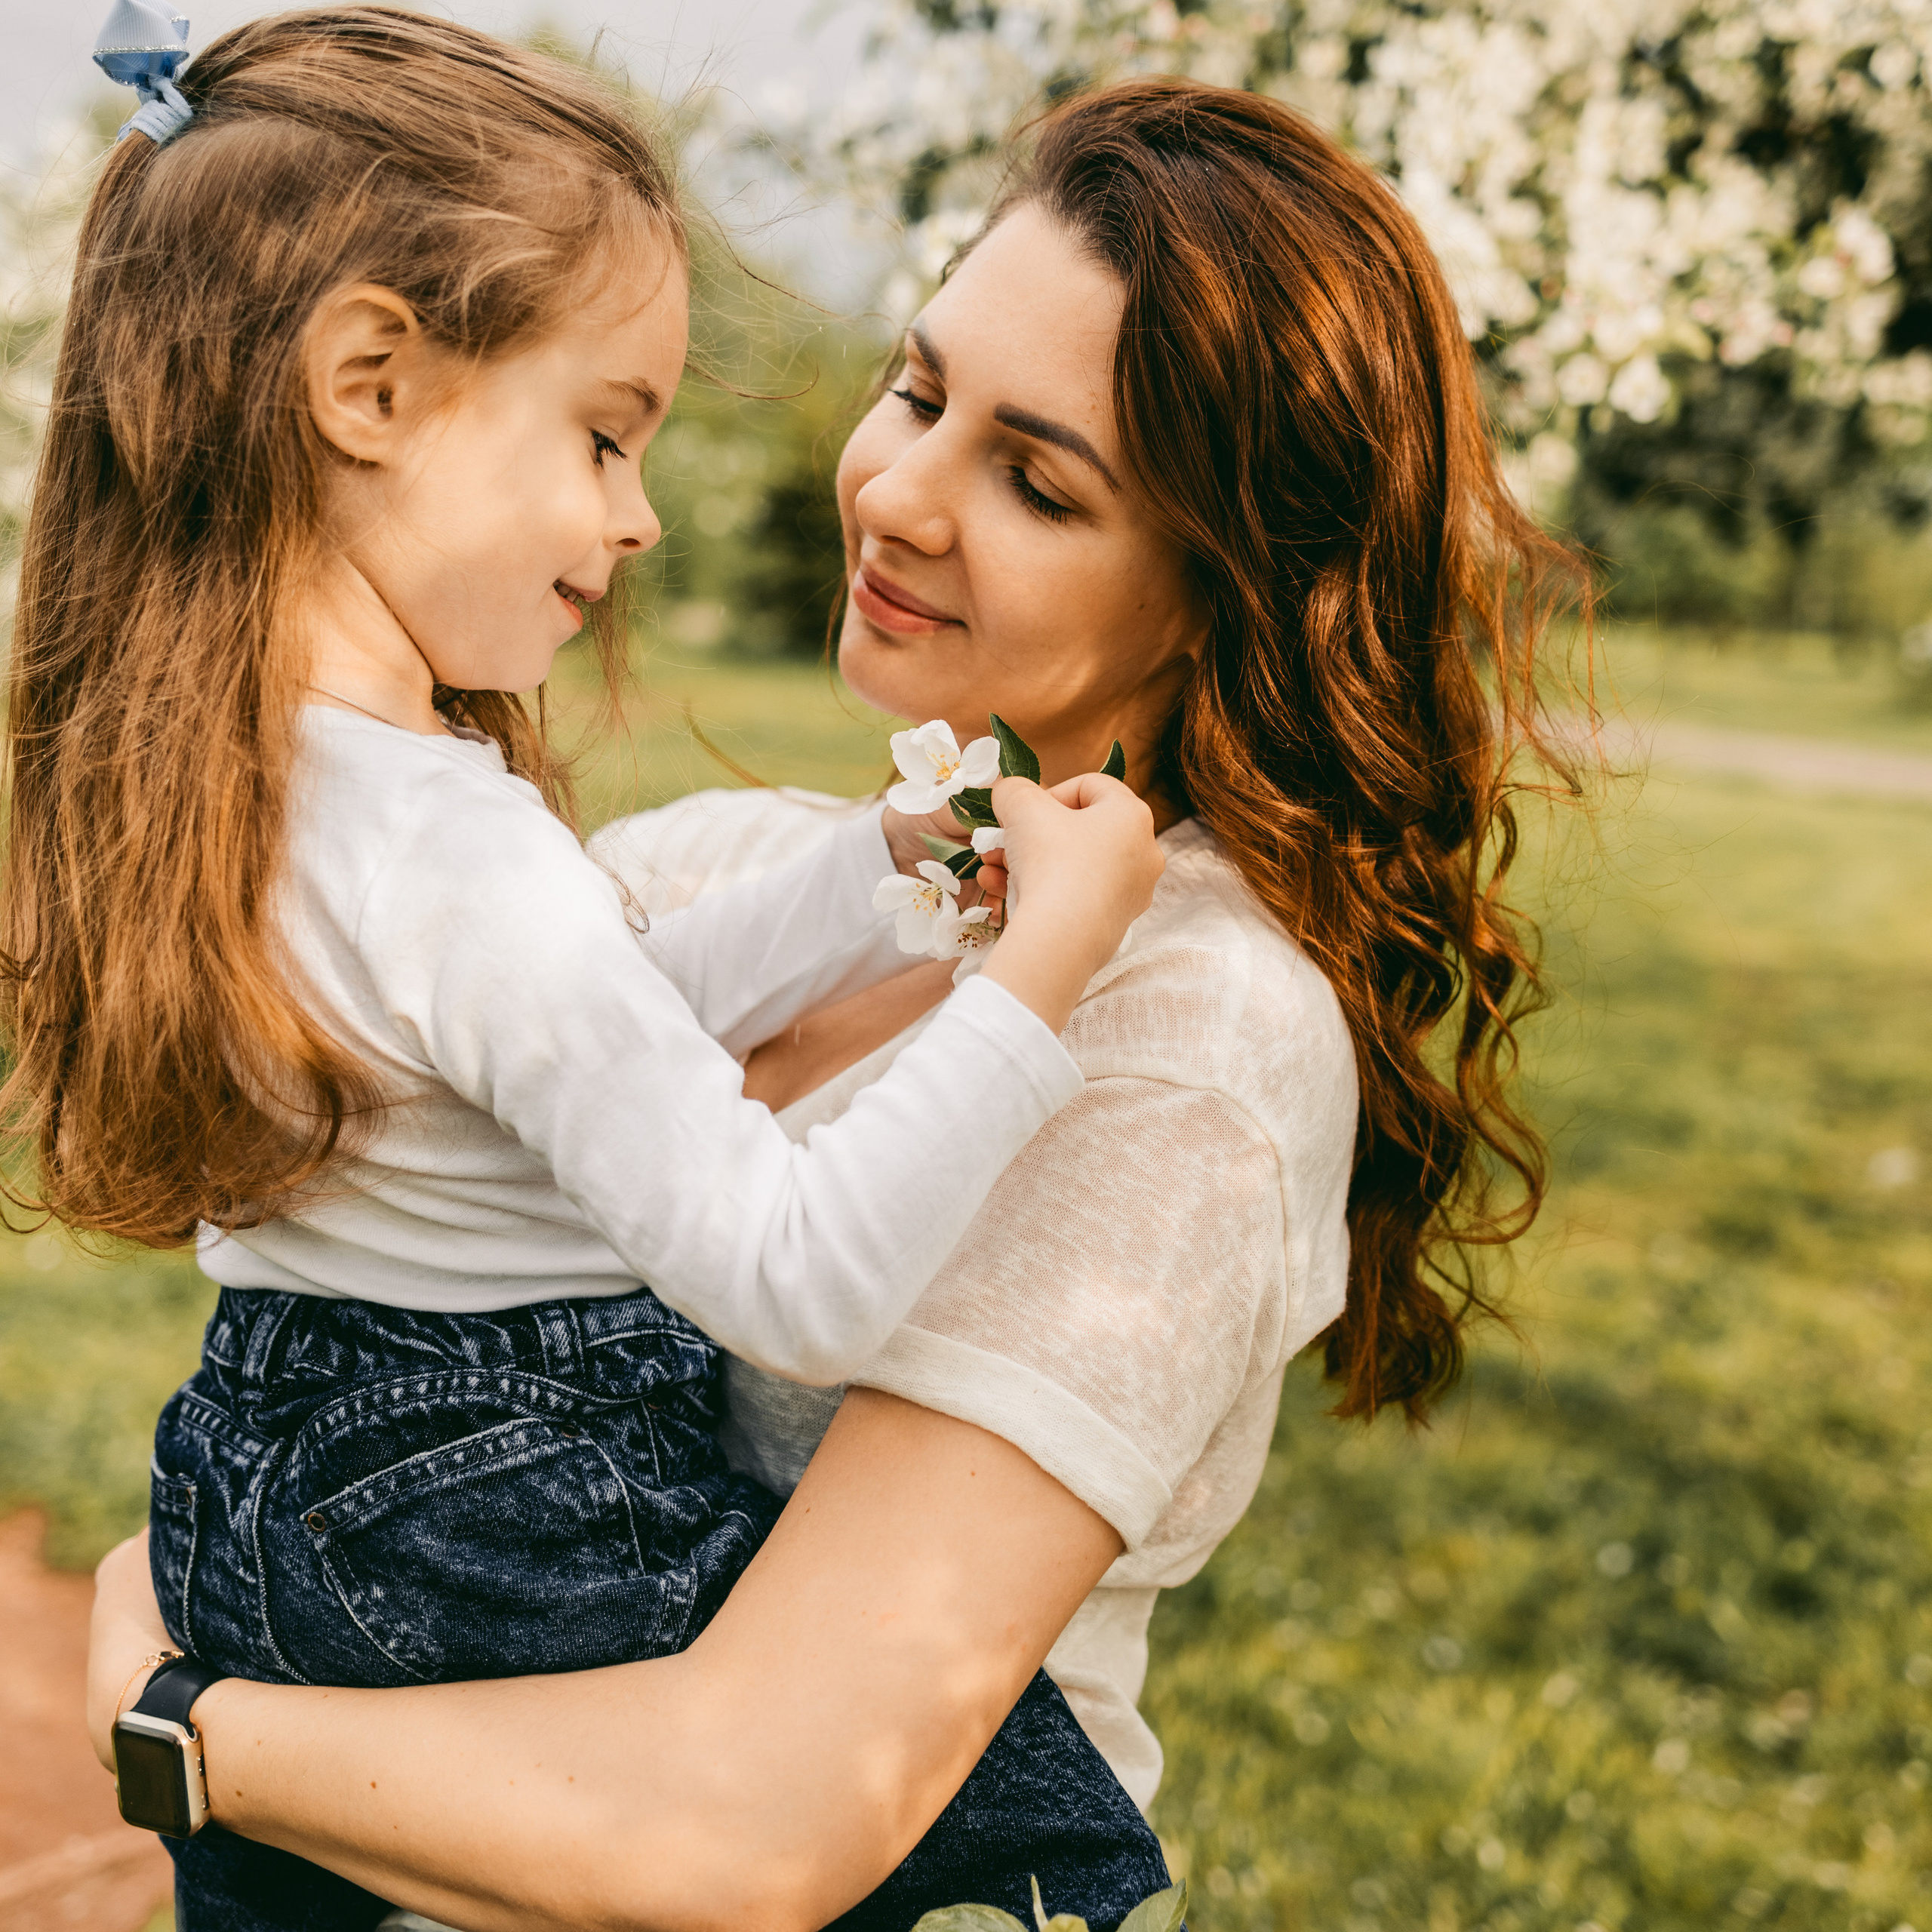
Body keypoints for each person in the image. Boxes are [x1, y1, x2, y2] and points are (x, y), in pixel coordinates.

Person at [85, 69, 1588, 1932]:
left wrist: (179, 1716)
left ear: (1231, 596)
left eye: (1035, 480)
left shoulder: (1187, 1031)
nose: (891, 489)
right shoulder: (720, 862)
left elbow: (758, 1828)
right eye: (917, 387)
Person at [11, 8, 1171, 1930]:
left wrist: (870, 876)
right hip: (496, 1506)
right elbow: (788, 1277)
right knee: (1004, 1835)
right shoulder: (454, 847)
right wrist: (1033, 973)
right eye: (606, 433)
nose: (635, 516)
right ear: (370, 383)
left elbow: (579, 1040)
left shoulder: (258, 781)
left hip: (268, 1476)